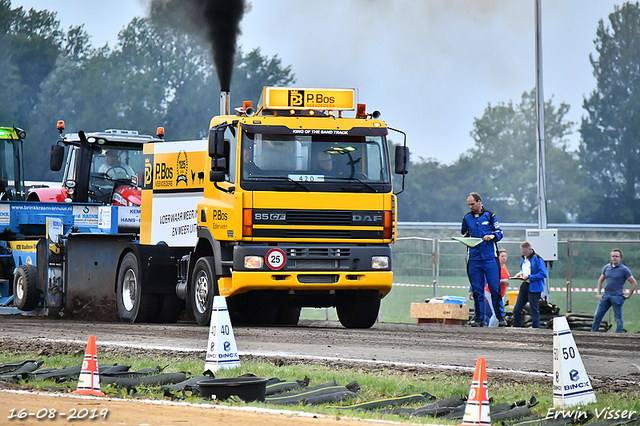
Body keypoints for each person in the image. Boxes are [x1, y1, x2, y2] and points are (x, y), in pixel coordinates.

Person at [461, 192, 505, 327]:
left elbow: (499, 232)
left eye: (472, 204)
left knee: (494, 288)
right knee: (477, 289)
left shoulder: (490, 216)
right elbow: (464, 233)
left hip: (489, 258)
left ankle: (500, 317)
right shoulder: (467, 218)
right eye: (469, 205)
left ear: (479, 202)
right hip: (474, 258)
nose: (470, 207)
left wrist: (492, 236)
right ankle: (479, 318)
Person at [591, 249, 637, 333]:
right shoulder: (606, 268)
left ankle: (618, 336)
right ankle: (593, 334)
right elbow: (600, 280)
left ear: (620, 258)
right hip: (606, 296)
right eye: (613, 256)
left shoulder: (624, 269)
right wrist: (599, 293)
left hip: (617, 296)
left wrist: (628, 295)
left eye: (616, 256)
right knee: (597, 316)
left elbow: (634, 283)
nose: (614, 258)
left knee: (618, 318)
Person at [512, 241, 547, 328]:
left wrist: (529, 277)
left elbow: (543, 273)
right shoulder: (524, 259)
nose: (523, 253)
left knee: (533, 310)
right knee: (517, 309)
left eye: (524, 252)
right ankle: (517, 328)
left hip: (534, 287)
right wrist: (520, 274)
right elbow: (523, 270)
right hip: (525, 286)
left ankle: (536, 329)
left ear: (529, 250)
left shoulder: (538, 259)